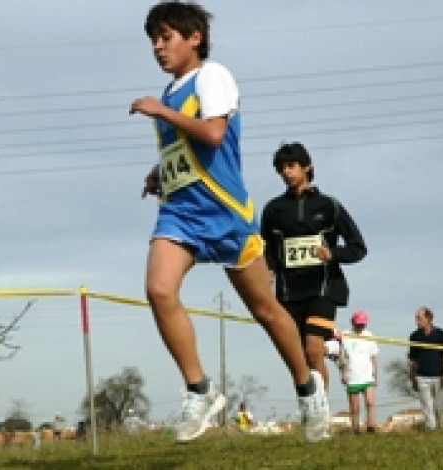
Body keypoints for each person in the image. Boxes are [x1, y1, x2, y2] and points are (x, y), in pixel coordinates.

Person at [129, 1, 329, 443]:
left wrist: (161, 114)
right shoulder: (169, 95)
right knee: (159, 289)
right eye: (153, 41)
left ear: (194, 37)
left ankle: (308, 388)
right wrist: (160, 172)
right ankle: (199, 389)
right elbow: (187, 151)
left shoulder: (212, 76)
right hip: (181, 214)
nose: (158, 48)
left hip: (227, 215)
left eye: (166, 37)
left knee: (265, 310)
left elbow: (214, 134)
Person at [260, 141, 367, 391]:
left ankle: (322, 414)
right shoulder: (273, 210)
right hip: (288, 293)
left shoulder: (329, 206)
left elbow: (358, 247)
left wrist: (332, 253)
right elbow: (265, 249)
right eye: (281, 169)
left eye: (291, 166)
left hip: (323, 289)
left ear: (307, 167)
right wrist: (267, 270)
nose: (286, 172)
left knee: (313, 348)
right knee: (301, 358)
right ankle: (311, 407)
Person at [326, 310, 379, 434]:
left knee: (370, 402)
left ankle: (371, 427)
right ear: (353, 323)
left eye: (363, 324)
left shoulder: (370, 336)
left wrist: (375, 374)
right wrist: (342, 373)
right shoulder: (345, 335)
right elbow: (337, 350)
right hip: (352, 376)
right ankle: (355, 430)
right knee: (355, 407)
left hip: (367, 375)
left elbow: (373, 357)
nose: (360, 327)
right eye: (358, 324)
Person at [408, 306, 443, 430]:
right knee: (427, 406)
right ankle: (430, 430)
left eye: (419, 318)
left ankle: (438, 428)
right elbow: (412, 359)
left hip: (438, 375)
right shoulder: (414, 336)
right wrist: (412, 379)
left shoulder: (439, 334)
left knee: (438, 407)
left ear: (428, 319)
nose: (417, 321)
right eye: (416, 318)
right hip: (422, 376)